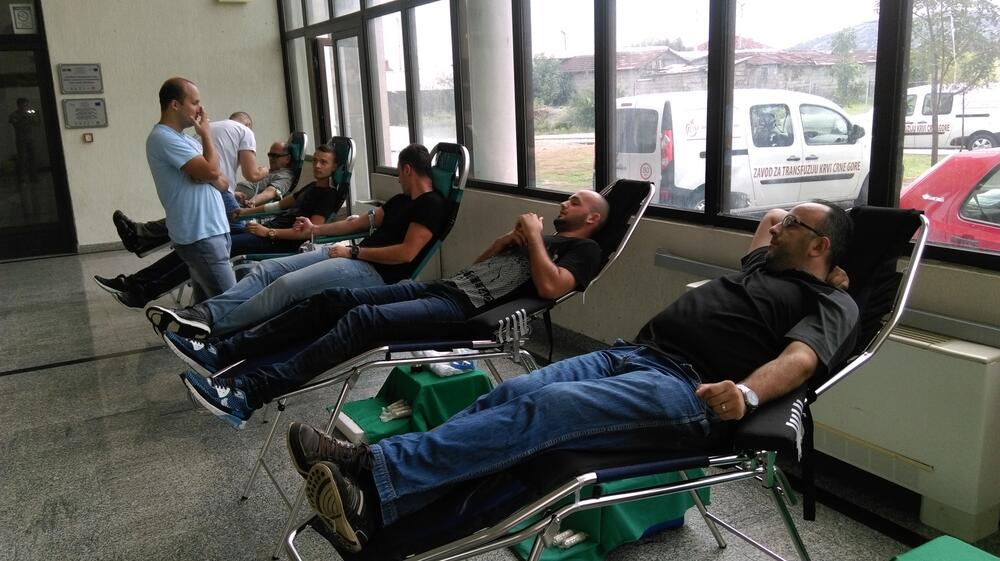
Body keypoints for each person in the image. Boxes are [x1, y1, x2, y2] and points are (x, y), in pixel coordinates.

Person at [282, 201, 857, 553]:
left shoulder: (833, 302)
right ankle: (376, 508)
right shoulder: (763, 264)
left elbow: (802, 360)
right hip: (632, 354)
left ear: (821, 246)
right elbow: (768, 222)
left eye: (794, 225)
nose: (777, 228)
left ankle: (374, 467)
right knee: (512, 392)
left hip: (687, 390)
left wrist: (748, 392)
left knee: (547, 412)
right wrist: (794, 227)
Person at [175, 189, 608, 428]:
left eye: (574, 202)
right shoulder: (540, 242)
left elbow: (551, 287)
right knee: (331, 299)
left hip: (461, 311)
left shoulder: (586, 251)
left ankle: (249, 393)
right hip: (446, 288)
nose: (563, 204)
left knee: (363, 320)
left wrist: (534, 241)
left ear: (591, 218)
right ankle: (221, 352)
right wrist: (506, 241)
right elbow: (477, 269)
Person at [144, 143, 447, 338]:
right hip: (347, 255)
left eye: (399, 174)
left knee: (286, 287)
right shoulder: (400, 201)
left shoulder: (431, 205)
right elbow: (357, 223)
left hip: (373, 272)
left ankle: (212, 330)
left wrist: (354, 253)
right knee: (268, 270)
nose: (398, 179)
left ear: (407, 169)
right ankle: (204, 313)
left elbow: (406, 254)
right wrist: (316, 231)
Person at [94, 145, 345, 308]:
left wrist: (268, 231)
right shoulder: (310, 188)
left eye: (324, 162)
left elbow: (309, 232)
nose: (318, 166)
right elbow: (278, 206)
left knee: (208, 247)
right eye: (316, 161)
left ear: (335, 167)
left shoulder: (328, 196)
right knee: (202, 235)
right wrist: (245, 212)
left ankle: (142, 288)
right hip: (263, 230)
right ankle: (135, 280)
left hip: (279, 241)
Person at [107, 112, 269, 256]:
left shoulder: (205, 130)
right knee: (240, 234)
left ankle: (141, 237)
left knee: (191, 230)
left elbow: (201, 169)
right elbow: (251, 174)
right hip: (216, 186)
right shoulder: (245, 131)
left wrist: (232, 192)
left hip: (203, 185)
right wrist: (267, 170)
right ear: (248, 124)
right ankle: (141, 237)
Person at [143, 77, 234, 304]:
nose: (200, 110)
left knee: (206, 307)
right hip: (200, 234)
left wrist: (207, 174)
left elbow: (222, 182)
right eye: (195, 103)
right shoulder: (163, 137)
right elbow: (212, 172)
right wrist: (206, 135)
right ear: (175, 105)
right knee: (232, 305)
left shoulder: (186, 140)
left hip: (214, 230)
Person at [8, 97, 40, 213]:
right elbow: (13, 123)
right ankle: (22, 178)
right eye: (23, 104)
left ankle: (33, 176)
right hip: (21, 139)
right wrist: (23, 117)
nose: (25, 106)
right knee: (22, 158)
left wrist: (35, 116)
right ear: (19, 105)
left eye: (26, 104)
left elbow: (37, 123)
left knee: (32, 157)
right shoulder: (14, 115)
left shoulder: (29, 113)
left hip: (30, 139)